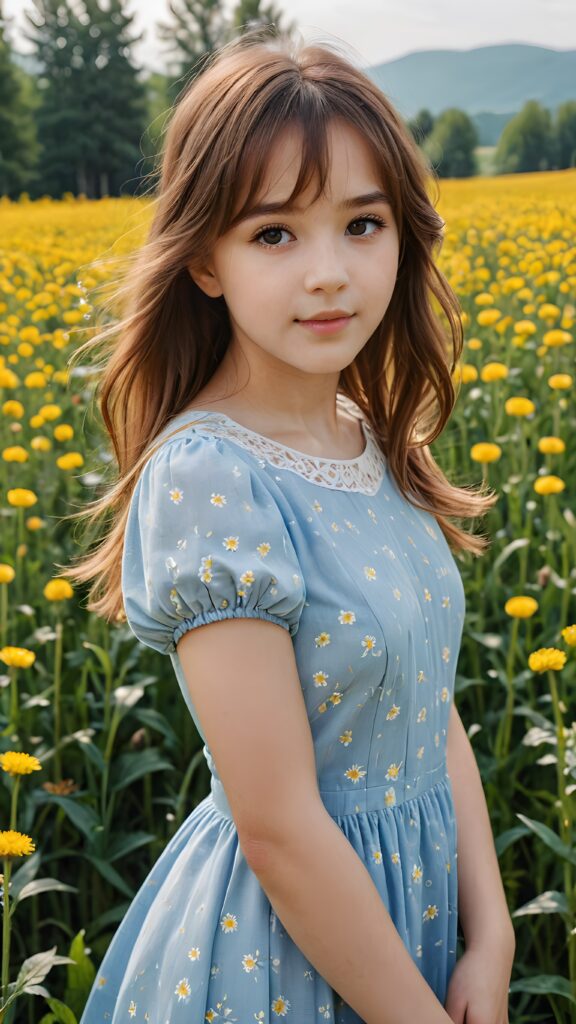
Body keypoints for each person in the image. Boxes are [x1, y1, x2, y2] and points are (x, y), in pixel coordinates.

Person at [65, 28, 516, 1024]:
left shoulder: (370, 436)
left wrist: (495, 931)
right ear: (207, 262)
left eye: (363, 224)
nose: (329, 273)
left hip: (421, 923)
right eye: (275, 234)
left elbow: (427, 706)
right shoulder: (211, 475)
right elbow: (275, 825)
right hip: (283, 954)